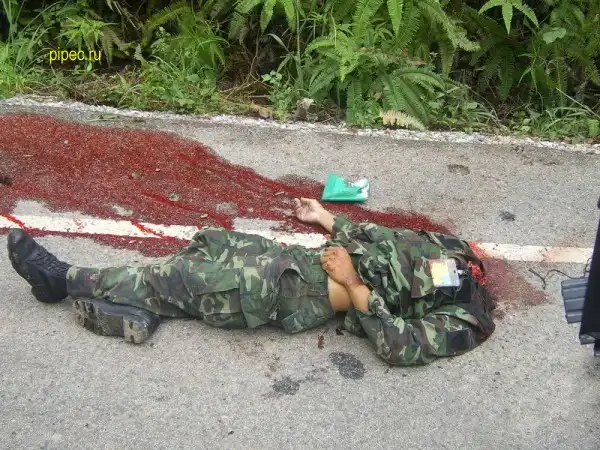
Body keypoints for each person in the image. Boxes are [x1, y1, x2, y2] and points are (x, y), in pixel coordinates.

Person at [6, 198, 495, 366]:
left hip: (296, 293)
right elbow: (385, 239)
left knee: (185, 277)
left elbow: (401, 347)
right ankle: (148, 307)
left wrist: (353, 284)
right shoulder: (456, 248)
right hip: (299, 259)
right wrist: (327, 219)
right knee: (206, 245)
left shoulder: (469, 320)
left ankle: (62, 279)